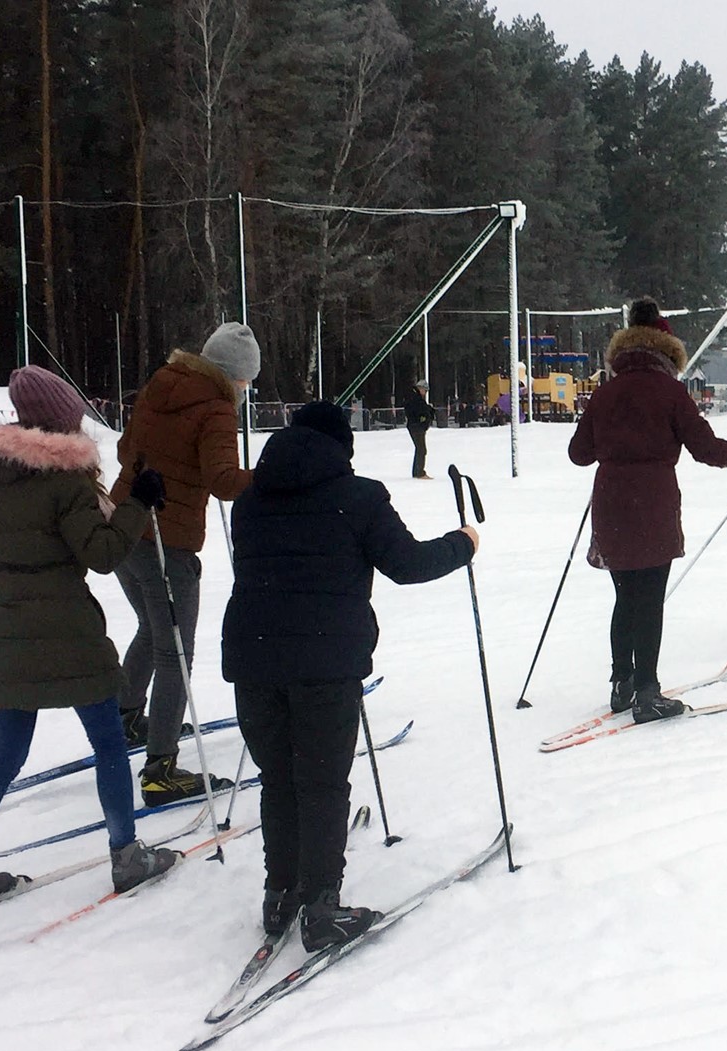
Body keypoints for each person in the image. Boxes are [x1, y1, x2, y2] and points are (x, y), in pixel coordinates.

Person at [221, 402, 477, 951]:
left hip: (255, 657)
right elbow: (407, 564)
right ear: (342, 447)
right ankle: (320, 905)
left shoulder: (249, 500)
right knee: (321, 781)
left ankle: (280, 893)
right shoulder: (358, 496)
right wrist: (464, 543)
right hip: (324, 660)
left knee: (279, 779)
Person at [0, 366, 179, 913]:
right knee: (109, 744)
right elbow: (102, 555)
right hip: (70, 635)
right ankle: (126, 856)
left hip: (6, 634)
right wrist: (138, 504)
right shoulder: (67, 483)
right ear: (62, 423)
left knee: (5, 755)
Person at [568, 298, 727, 722]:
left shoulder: (605, 392)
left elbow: (578, 454)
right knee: (650, 600)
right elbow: (706, 449)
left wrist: (612, 443)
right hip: (653, 503)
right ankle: (647, 692)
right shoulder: (670, 391)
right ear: (668, 350)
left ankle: (622, 682)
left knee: (625, 596)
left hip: (611, 503)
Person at [110, 323, 257, 807]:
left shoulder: (161, 383)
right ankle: (161, 769)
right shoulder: (216, 407)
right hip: (165, 543)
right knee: (175, 649)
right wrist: (271, 477)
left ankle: (125, 716)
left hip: (123, 525)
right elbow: (224, 481)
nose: (246, 389)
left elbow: (124, 450)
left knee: (152, 630)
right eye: (246, 381)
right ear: (233, 375)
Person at [404, 381, 436, 479]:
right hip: (416, 426)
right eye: (425, 391)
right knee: (421, 449)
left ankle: (416, 472)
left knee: (419, 449)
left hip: (415, 426)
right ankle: (420, 473)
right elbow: (419, 411)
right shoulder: (415, 398)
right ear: (420, 388)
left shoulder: (414, 397)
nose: (425, 393)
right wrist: (424, 416)